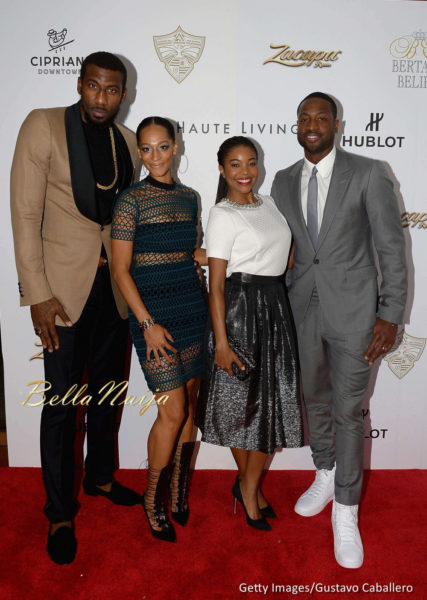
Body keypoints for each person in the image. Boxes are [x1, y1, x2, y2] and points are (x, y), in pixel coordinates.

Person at [10, 51, 141, 565]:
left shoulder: (127, 141)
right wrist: (36, 293)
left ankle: (102, 476)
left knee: (109, 389)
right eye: (94, 87)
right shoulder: (42, 126)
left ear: (123, 95)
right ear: (81, 83)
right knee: (63, 404)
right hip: (61, 293)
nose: (102, 98)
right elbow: (24, 212)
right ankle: (60, 510)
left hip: (113, 289)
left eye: (112, 91)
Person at [271, 92, 407, 568]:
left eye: (321, 117)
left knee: (349, 411)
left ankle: (345, 512)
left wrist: (390, 314)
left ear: (336, 123)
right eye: (304, 117)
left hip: (355, 316)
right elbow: (279, 249)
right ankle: (325, 473)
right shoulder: (283, 180)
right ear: (296, 125)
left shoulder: (369, 173)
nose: (312, 125)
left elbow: (392, 248)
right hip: (300, 312)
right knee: (315, 401)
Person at [196, 136, 303, 531]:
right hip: (240, 312)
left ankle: (247, 485)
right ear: (222, 169)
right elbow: (217, 285)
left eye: (251, 162)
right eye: (235, 164)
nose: (245, 171)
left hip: (275, 308)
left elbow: (282, 253)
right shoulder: (222, 214)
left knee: (269, 406)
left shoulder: (270, 203)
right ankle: (249, 489)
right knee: (245, 409)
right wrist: (221, 344)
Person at [111, 116, 208, 542]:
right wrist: (147, 323)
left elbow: (192, 252)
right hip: (153, 318)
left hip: (192, 308)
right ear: (139, 153)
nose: (155, 156)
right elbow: (120, 270)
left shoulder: (190, 198)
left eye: (163, 147)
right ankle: (153, 496)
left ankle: (178, 488)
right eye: (146, 149)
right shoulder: (129, 200)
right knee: (171, 412)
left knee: (189, 402)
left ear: (176, 147)